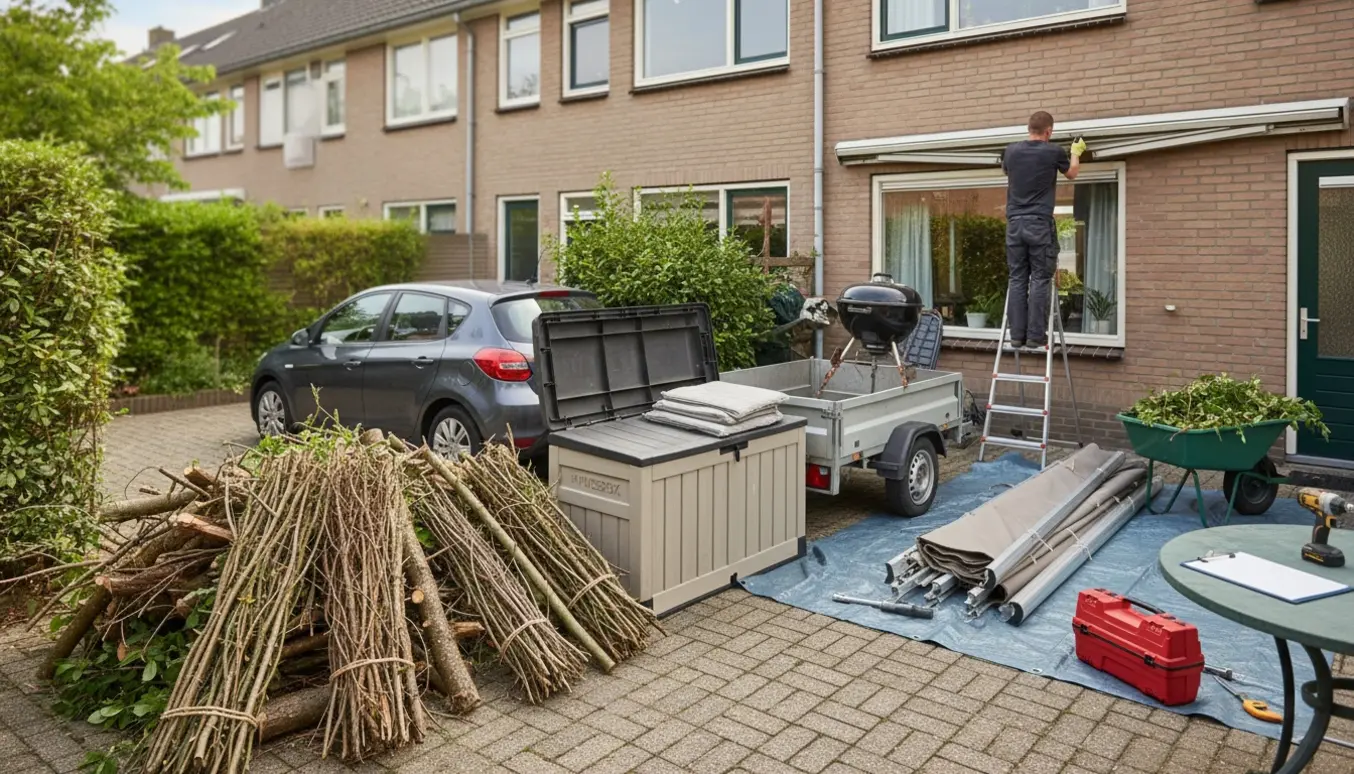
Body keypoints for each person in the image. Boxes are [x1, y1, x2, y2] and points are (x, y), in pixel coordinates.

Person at [1000, 111, 1086, 349]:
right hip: (1038, 223)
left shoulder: (1011, 151)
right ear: (1049, 131)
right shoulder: (1054, 152)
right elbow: (1072, 174)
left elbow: (1007, 171)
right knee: (1039, 278)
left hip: (1015, 223)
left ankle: (1016, 336)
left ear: (1029, 128)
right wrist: (1076, 153)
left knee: (1017, 278)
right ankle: (1035, 337)